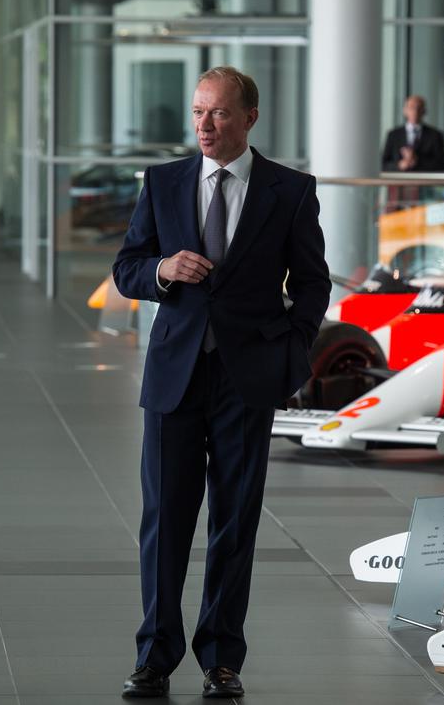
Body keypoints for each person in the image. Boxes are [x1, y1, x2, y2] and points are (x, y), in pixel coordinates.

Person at [112, 66, 330, 699]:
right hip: (175, 376)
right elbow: (127, 268)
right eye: (198, 112)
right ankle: (154, 655)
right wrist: (161, 267)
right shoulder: (164, 182)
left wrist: (293, 349)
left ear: (249, 119)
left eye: (219, 114)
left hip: (248, 378)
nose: (204, 124)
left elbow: (313, 281)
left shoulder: (289, 191)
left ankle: (221, 658)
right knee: (165, 520)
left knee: (235, 521)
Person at [381, 94, 444, 172]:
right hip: (399, 182)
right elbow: (383, 164)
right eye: (411, 107)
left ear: (424, 111)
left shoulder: (436, 135)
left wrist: (417, 160)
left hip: (425, 182)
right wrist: (400, 165)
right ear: (405, 111)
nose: (415, 111)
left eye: (419, 108)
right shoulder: (393, 135)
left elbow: (443, 164)